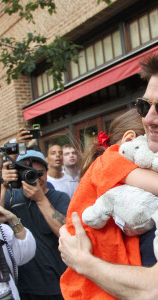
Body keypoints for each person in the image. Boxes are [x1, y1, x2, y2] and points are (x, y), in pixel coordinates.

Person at [60, 53, 158, 299]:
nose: (148, 118)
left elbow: (152, 288)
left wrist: (83, 262)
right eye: (144, 106)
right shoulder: (113, 161)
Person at [0, 149, 70, 299]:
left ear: (46, 172)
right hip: (24, 287)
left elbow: (66, 232)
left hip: (58, 284)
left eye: (40, 173)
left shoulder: (59, 197)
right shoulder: (11, 198)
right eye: (29, 172)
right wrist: (2, 185)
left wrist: (40, 199)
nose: (35, 178)